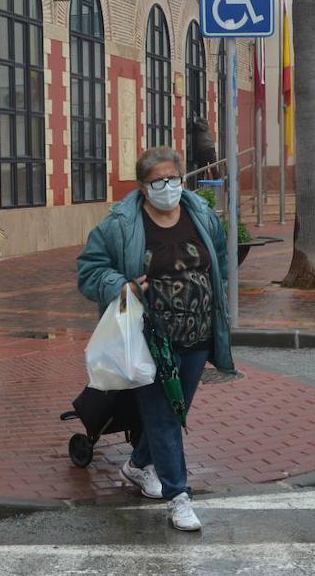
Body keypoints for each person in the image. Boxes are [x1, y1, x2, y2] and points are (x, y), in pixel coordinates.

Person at [76, 146, 235, 532]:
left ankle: (136, 465)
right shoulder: (120, 224)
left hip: (197, 335)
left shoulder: (200, 213)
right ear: (144, 186)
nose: (169, 187)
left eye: (174, 179)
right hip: (151, 337)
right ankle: (178, 496)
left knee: (176, 410)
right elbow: (89, 271)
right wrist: (121, 284)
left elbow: (221, 259)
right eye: (159, 181)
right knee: (164, 416)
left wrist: (218, 298)